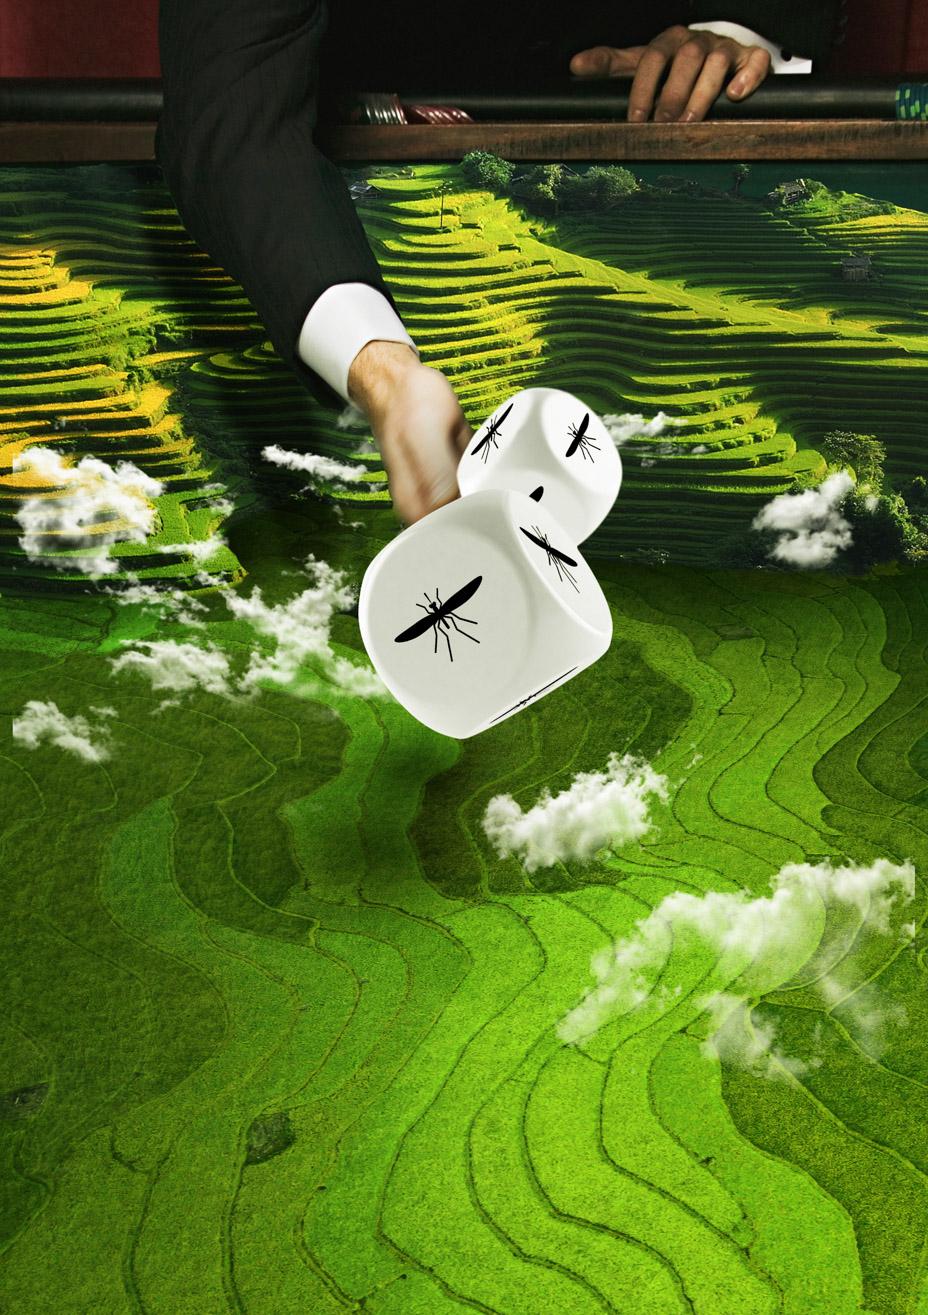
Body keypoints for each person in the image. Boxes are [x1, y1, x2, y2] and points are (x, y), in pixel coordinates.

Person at [156, 1, 846, 527]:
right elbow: (232, 111)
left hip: (677, 193)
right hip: (355, 211)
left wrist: (735, 29)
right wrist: (385, 373)